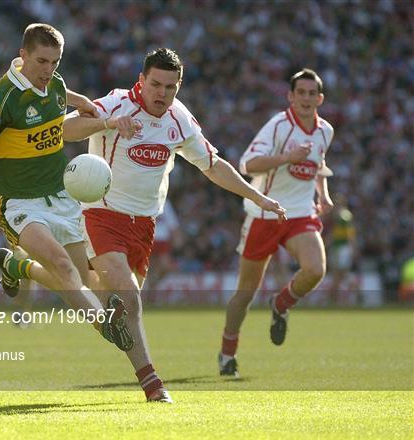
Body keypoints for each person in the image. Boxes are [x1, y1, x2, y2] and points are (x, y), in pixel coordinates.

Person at [54, 48, 286, 403]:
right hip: (100, 215)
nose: (162, 93)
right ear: (142, 80)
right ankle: (153, 385)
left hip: (144, 226)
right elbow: (66, 129)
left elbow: (213, 164)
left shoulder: (179, 120)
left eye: (170, 87)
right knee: (129, 300)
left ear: (179, 86)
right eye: (156, 84)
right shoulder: (117, 103)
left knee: (110, 307)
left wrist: (257, 197)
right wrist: (108, 123)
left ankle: (31, 269)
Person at [0, 23, 136, 352]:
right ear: (22, 56)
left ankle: (15, 265)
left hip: (63, 198)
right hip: (20, 204)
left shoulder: (54, 83)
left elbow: (63, 94)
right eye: (42, 62)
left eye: (55, 62)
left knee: (82, 280)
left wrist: (90, 108)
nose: (49, 70)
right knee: (64, 269)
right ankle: (107, 328)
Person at [218, 68, 334, 378]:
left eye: (313, 94)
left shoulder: (325, 131)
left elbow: (318, 162)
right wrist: (286, 158)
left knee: (315, 269)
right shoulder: (278, 126)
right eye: (302, 93)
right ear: (291, 96)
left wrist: (323, 193)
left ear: (320, 98)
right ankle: (227, 353)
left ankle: (280, 304)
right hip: (266, 213)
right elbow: (247, 164)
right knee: (245, 292)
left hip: (299, 213)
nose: (307, 98)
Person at [327, 193, 357, 304]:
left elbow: (350, 234)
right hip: (337, 248)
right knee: (338, 274)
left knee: (340, 274)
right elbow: (334, 233)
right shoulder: (339, 216)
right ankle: (335, 299)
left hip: (342, 248)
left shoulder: (344, 215)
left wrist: (353, 248)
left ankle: (333, 299)